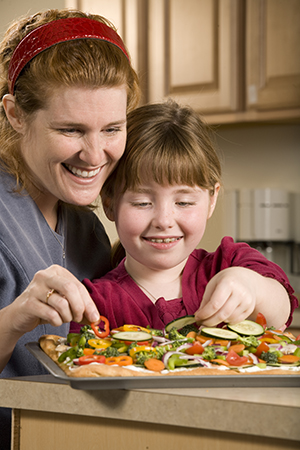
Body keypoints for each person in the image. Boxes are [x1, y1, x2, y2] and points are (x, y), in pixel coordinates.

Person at [0, 8, 140, 449]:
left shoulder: (87, 227)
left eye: (112, 128)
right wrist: (14, 320)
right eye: (71, 129)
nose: (95, 154)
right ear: (15, 114)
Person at [70, 100, 297, 335]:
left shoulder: (230, 262)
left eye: (184, 202)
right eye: (142, 203)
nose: (164, 220)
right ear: (109, 203)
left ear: (211, 200)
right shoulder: (95, 303)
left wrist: (253, 286)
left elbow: (281, 307)